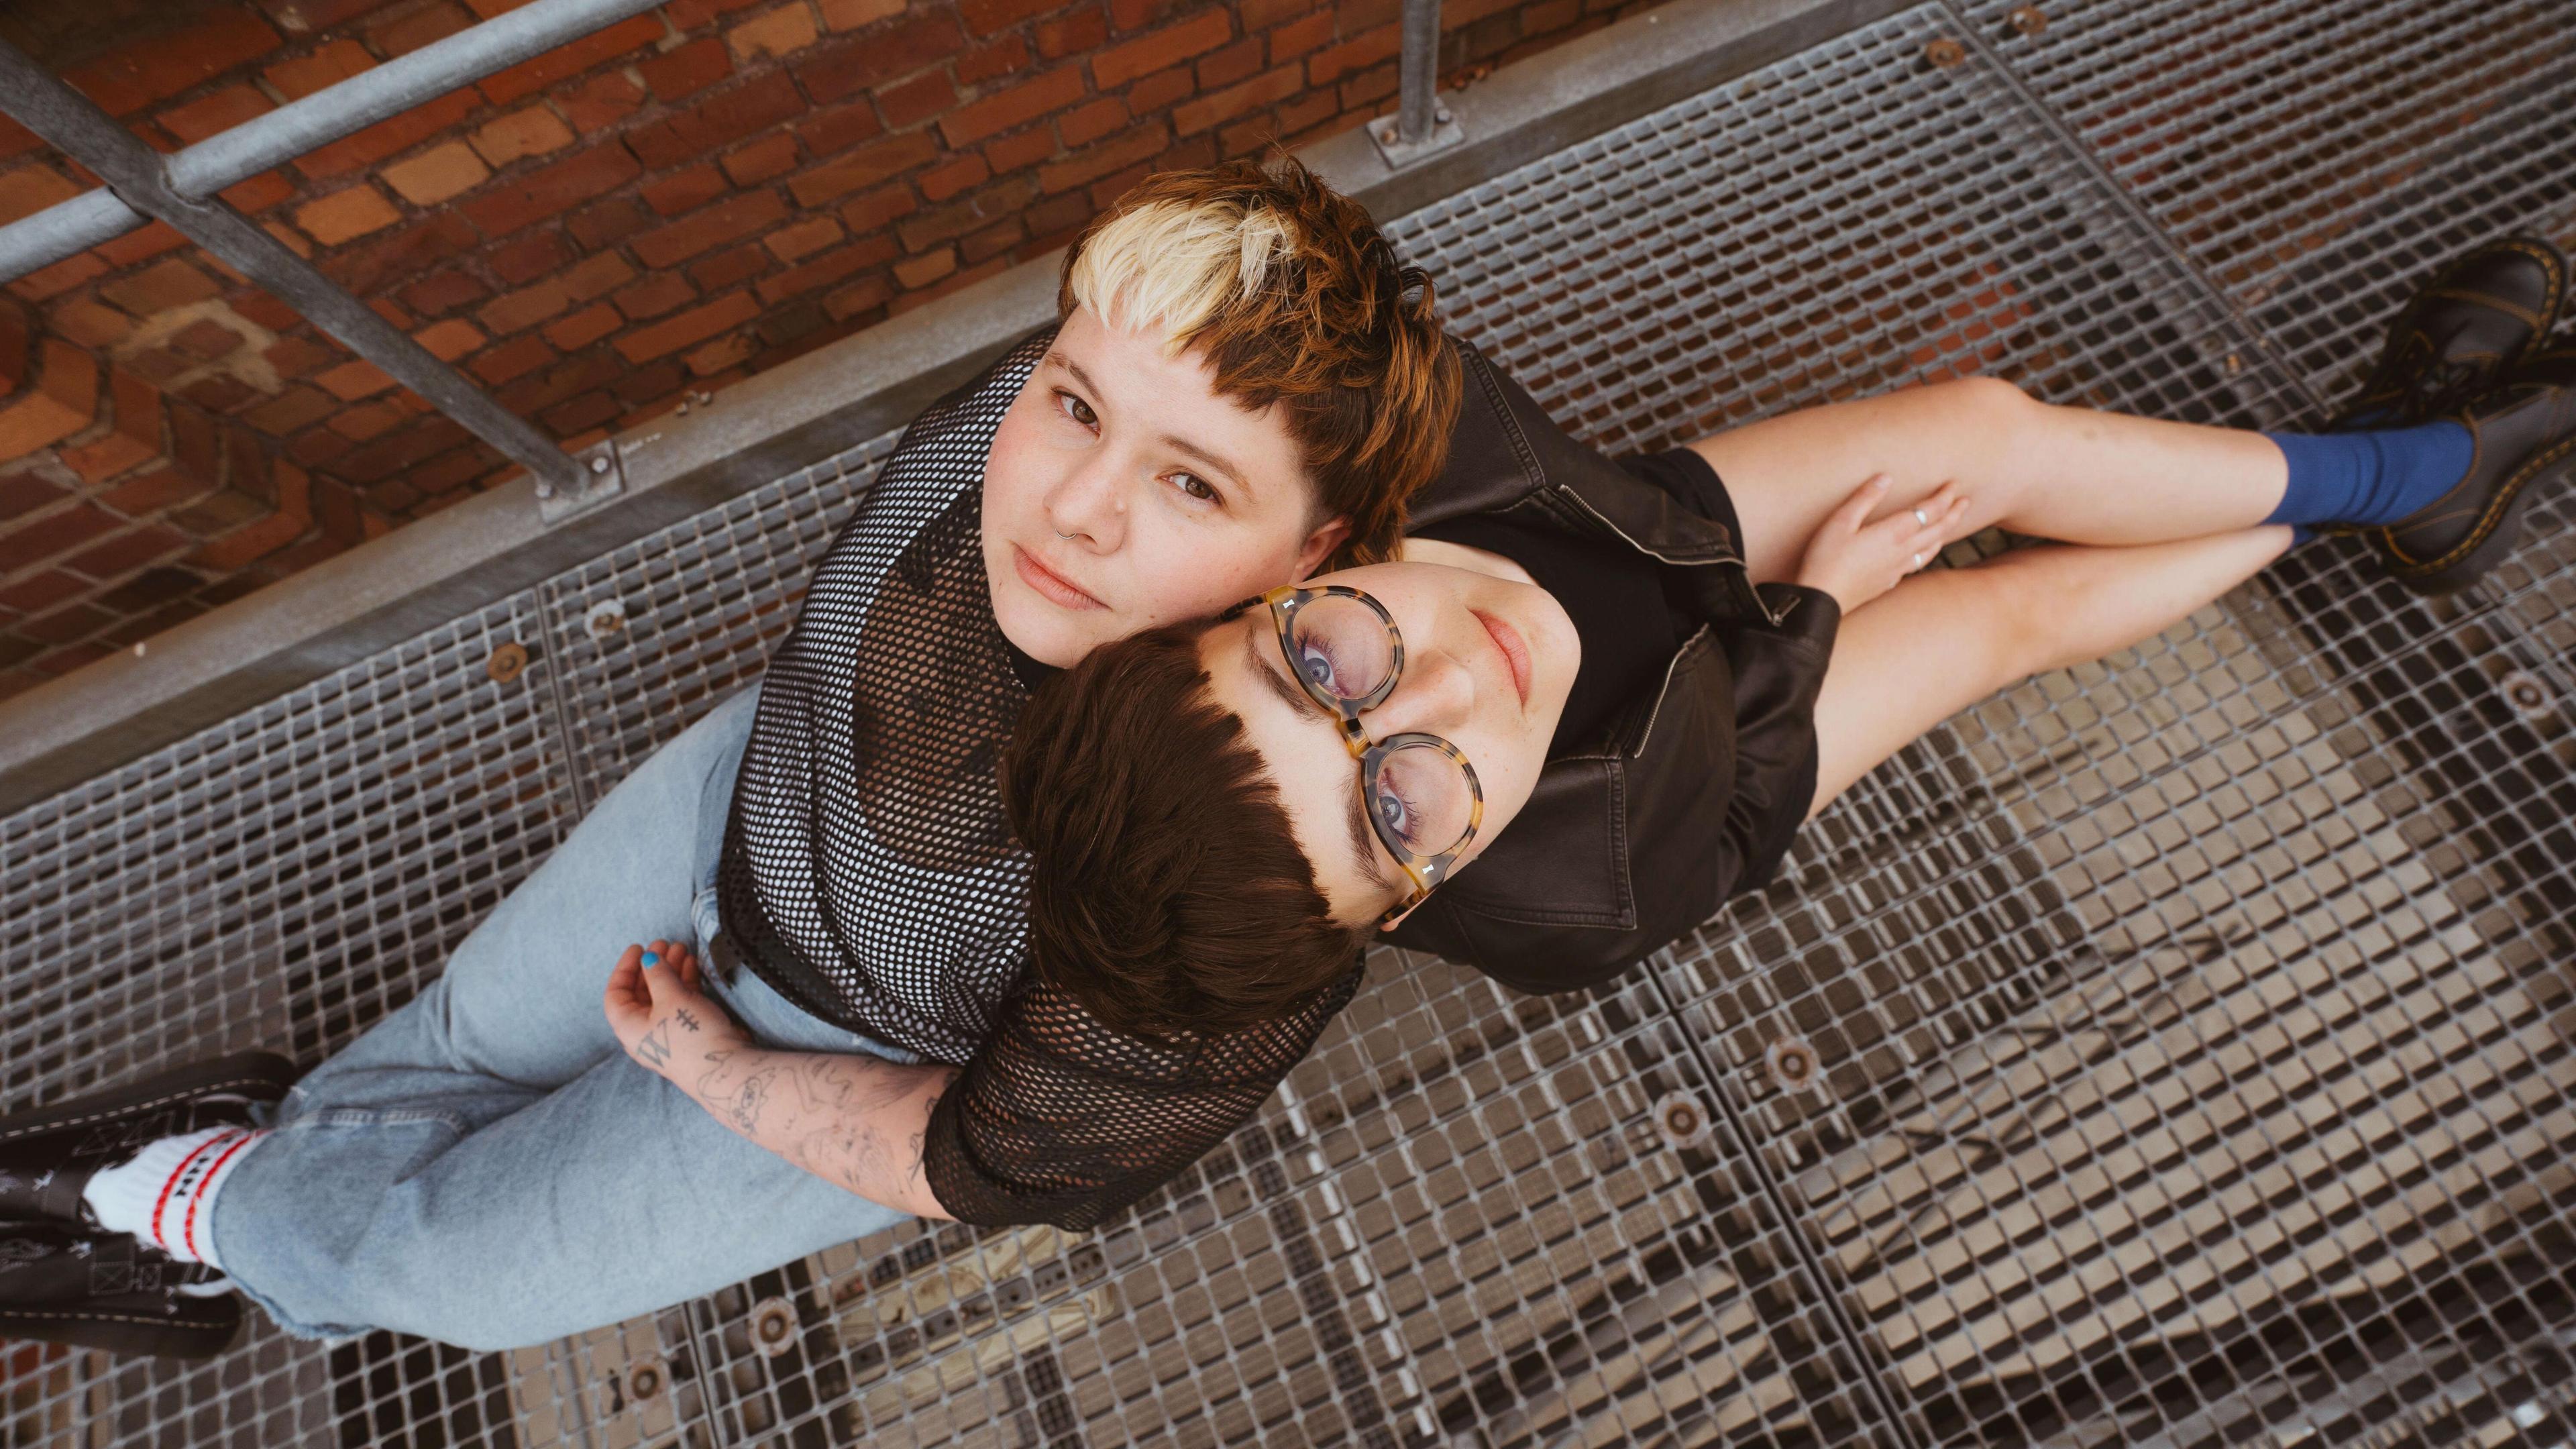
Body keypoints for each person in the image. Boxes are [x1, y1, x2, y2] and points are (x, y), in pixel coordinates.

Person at [0, 157, 1463, 1358]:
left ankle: (184, 1208)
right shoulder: (1060, 419)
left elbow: (997, 1162)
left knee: (434, 1278)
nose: (1076, 504)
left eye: (1190, 482)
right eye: (1076, 403)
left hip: (853, 1047)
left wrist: (721, 1068)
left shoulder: (1268, 848)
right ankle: (221, 1221)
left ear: (1319, 552)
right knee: (447, 1046)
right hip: (738, 799)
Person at [996, 238, 2572, 1042]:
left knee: (1982, 431)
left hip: (1632, 529)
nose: (1465, 676)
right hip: (1710, 736)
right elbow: (1735, 766)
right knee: (2002, 609)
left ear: (1257, 591)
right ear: (1418, 890)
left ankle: (2405, 464)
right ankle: (2419, 472)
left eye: (1329, 662)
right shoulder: (1578, 888)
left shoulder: (1350, 460)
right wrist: (1819, 613)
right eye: (1398, 805)